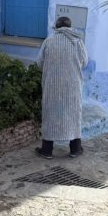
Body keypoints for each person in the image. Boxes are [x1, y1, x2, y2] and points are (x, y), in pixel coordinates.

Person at [35, 16, 88, 158]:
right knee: (73, 114)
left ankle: (47, 150)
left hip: (52, 86)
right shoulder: (77, 42)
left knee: (50, 115)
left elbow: (39, 63)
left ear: (56, 28)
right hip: (73, 87)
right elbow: (84, 62)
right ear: (70, 27)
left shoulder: (49, 41)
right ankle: (75, 149)